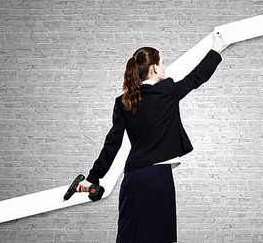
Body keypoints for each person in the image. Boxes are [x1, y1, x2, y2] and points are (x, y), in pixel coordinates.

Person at [76, 33, 226, 243]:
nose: (164, 67)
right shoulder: (168, 92)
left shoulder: (123, 102)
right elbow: (196, 77)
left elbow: (113, 144)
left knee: (131, 236)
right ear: (155, 67)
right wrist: (215, 50)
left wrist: (93, 177)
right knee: (159, 237)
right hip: (157, 177)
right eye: (163, 63)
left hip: (134, 178)